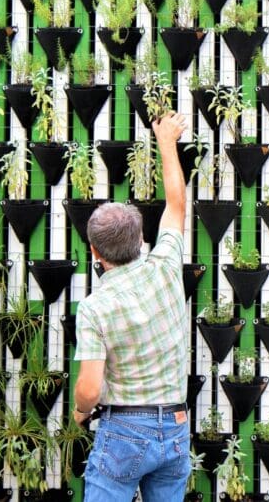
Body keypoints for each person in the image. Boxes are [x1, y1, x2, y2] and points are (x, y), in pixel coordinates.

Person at [73, 112, 191, 501]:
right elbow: (176, 204)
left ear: (94, 251)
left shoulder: (94, 308)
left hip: (124, 430)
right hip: (175, 425)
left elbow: (90, 389)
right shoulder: (166, 266)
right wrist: (166, 142)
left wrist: (80, 411)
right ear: (141, 240)